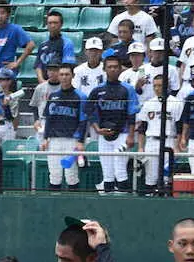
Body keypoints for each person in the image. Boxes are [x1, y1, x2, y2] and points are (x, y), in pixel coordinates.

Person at [87, 56, 139, 194]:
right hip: (104, 135)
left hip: (122, 134)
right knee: (107, 172)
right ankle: (108, 203)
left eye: (116, 66)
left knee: (120, 169)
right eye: (110, 66)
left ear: (120, 68)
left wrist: (131, 136)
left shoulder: (127, 89)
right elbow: (89, 111)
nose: (113, 69)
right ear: (104, 69)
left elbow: (132, 113)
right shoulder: (97, 90)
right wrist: (97, 129)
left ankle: (124, 201)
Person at [40, 63, 87, 191]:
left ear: (72, 76)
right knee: (54, 175)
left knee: (71, 175)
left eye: (67, 74)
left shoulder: (80, 96)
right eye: (62, 74)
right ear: (58, 76)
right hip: (54, 140)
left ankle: (73, 207)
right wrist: (45, 138)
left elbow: (83, 121)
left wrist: (80, 141)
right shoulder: (53, 96)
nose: (64, 77)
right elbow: (49, 119)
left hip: (72, 140)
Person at [136, 75, 183, 194]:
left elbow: (179, 127)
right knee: (151, 178)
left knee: (167, 179)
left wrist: (177, 146)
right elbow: (142, 128)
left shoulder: (176, 102)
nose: (157, 88)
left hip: (169, 141)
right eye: (155, 86)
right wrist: (141, 147)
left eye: (160, 85)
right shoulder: (149, 103)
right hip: (151, 142)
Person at [35, 11, 76, 83]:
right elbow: (38, 66)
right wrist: (42, 81)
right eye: (50, 23)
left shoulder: (67, 43)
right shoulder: (42, 45)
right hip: (44, 83)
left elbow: (67, 67)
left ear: (61, 24)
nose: (53, 25)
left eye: (55, 23)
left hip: (60, 83)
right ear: (47, 25)